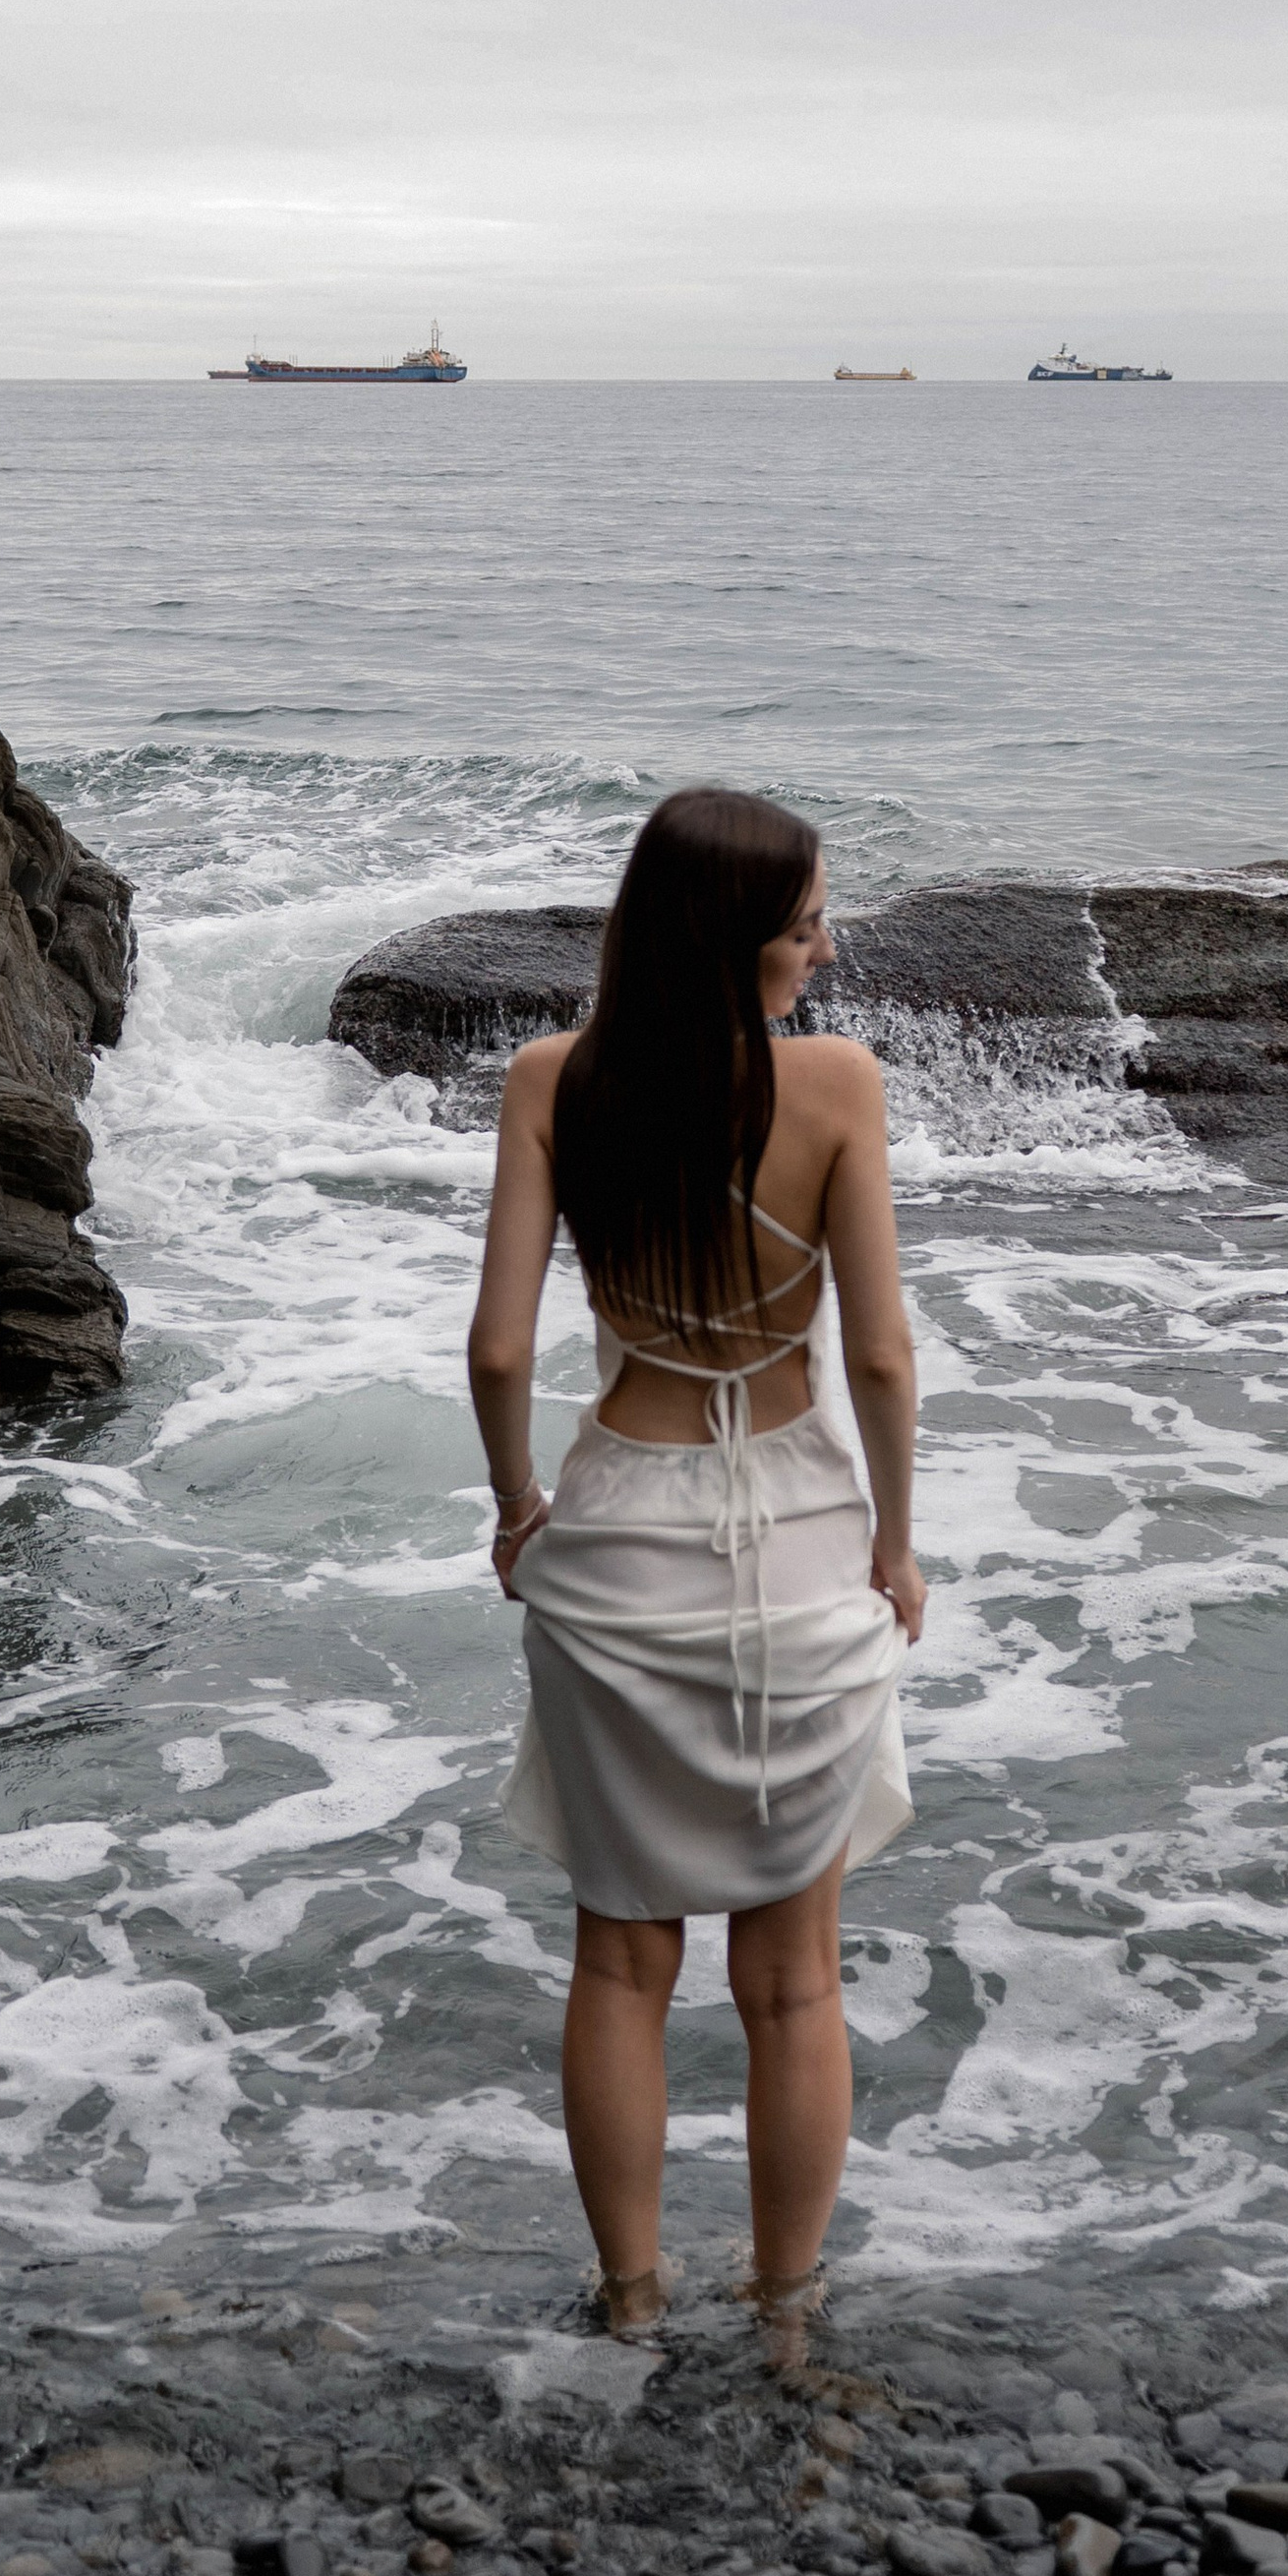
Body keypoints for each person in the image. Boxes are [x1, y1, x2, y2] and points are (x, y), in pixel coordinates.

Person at [465, 785, 926, 2355]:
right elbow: (879, 1355)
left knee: (619, 1957)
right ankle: (787, 2311)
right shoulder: (838, 1087)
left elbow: (500, 1348)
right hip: (795, 1537)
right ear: (734, 938)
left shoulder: (551, 1080)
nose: (825, 949)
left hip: (614, 1533)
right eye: (806, 924)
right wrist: (895, 1541)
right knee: (793, 1979)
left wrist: (516, 1505)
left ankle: (631, 2298)